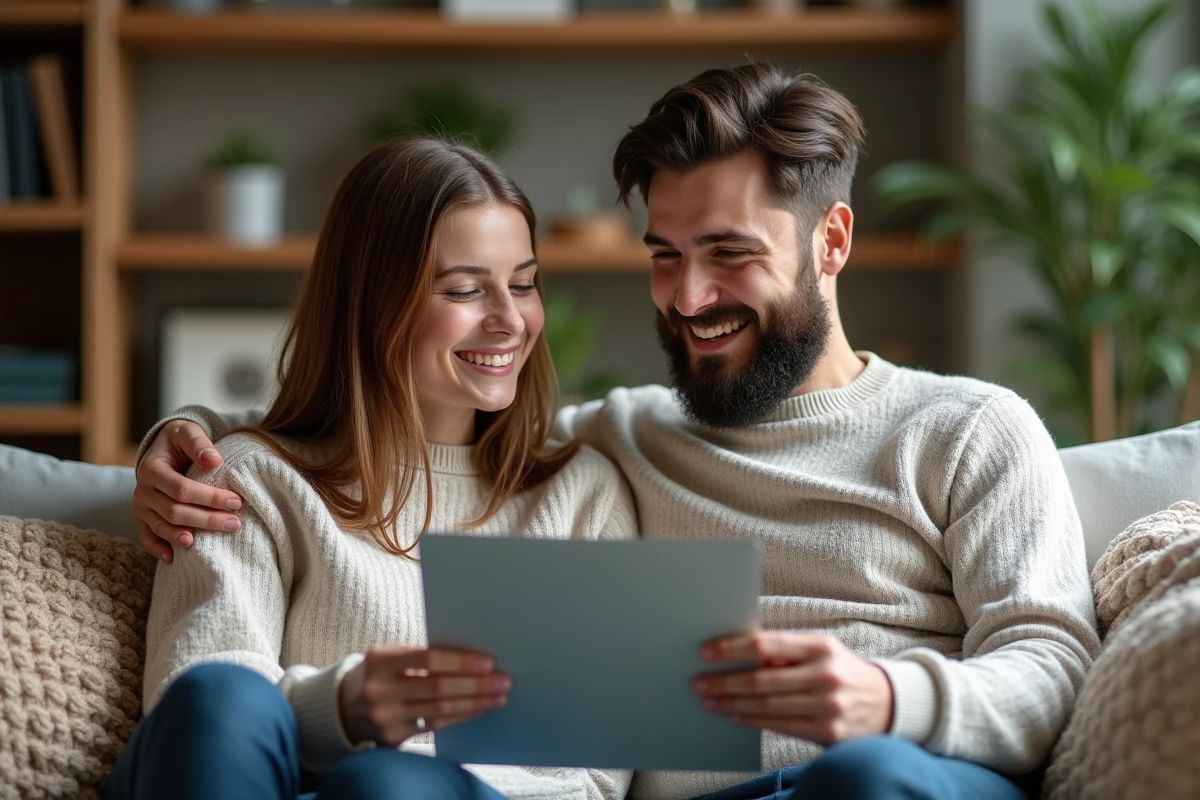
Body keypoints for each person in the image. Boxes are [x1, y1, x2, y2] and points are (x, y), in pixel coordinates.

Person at [133, 64, 1101, 800]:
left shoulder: (967, 430)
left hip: (887, 775)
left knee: (867, 778)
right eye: (665, 255)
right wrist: (183, 437)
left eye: (728, 254)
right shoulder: (625, 437)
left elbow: (1054, 666)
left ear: (832, 241)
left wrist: (890, 701)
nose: (689, 297)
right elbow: (409, 428)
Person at [109, 137, 635, 800]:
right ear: (371, 303)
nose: (510, 320)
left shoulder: (583, 495)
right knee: (223, 695)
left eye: (524, 285)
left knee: (386, 784)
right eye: (465, 290)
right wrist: (342, 710)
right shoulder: (247, 482)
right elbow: (194, 715)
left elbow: (596, 776)